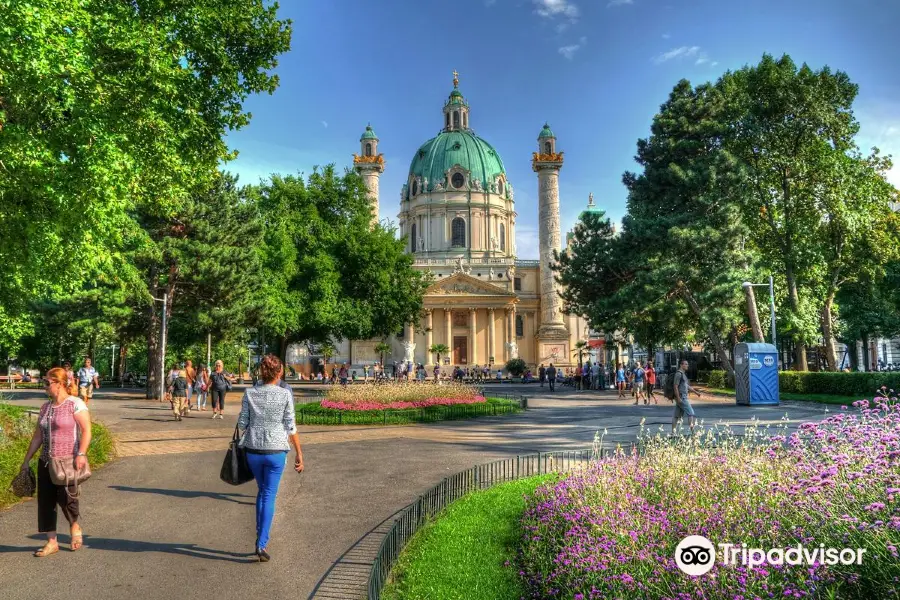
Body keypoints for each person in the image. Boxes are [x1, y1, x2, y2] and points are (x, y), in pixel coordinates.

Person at [19, 367, 92, 557]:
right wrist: (26, 460)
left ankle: (74, 526)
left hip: (68, 460)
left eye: (47, 383)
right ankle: (52, 542)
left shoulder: (75, 404)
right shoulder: (45, 407)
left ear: (59, 384)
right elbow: (38, 436)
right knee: (45, 502)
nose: (44, 386)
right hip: (46, 461)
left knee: (67, 499)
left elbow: (87, 430)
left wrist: (81, 454)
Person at [238, 355, 304, 562]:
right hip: (276, 451)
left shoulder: (250, 393)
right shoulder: (285, 395)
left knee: (262, 491)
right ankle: (261, 543)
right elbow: (290, 426)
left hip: (254, 450)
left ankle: (260, 534)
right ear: (279, 373)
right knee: (268, 495)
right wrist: (299, 454)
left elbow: (242, 423)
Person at [672, 359, 702, 434]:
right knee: (691, 413)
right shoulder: (678, 374)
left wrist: (696, 392)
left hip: (682, 397)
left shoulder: (683, 374)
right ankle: (693, 432)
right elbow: (675, 386)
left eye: (687, 364)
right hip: (682, 397)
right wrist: (678, 398)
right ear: (681, 365)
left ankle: (673, 433)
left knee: (676, 416)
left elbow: (687, 386)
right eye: (685, 364)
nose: (687, 365)